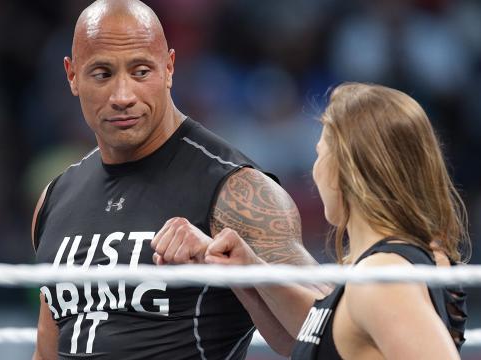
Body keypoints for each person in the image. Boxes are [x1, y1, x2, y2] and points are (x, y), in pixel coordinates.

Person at [30, 0, 322, 359]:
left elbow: (330, 329)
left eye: (140, 72)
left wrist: (247, 268)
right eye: (102, 74)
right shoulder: (55, 198)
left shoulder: (236, 189)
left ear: (169, 68)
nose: (123, 97)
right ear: (72, 76)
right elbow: (47, 352)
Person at [195, 83, 469, 359]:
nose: (314, 171)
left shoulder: (381, 278)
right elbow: (316, 336)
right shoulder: (389, 267)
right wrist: (249, 270)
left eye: (319, 153)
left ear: (347, 168)